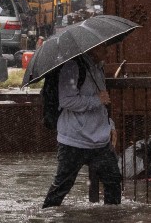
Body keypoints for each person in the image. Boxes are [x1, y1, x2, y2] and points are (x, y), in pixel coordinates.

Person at [41, 52, 122, 206]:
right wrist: (96, 100)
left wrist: (110, 125)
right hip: (74, 140)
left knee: (113, 181)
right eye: (102, 46)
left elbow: (103, 104)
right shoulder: (72, 66)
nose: (105, 49)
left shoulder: (98, 68)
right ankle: (48, 217)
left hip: (100, 141)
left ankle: (112, 221)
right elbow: (66, 100)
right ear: (92, 48)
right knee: (62, 186)